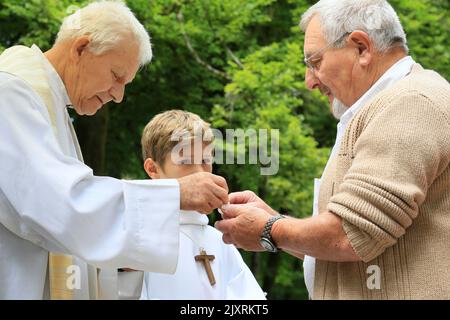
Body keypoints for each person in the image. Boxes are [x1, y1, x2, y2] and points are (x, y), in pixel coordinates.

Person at [216, 0, 450, 300]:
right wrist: (275, 222)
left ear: (361, 48)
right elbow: (348, 248)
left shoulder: (411, 102)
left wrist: (270, 229)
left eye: (315, 62)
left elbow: (350, 235)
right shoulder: (385, 106)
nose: (310, 81)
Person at [0, 1, 228, 300]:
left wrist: (121, 267)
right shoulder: (11, 92)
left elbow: (65, 233)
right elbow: (61, 206)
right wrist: (176, 194)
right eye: (116, 76)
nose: (118, 95)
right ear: (81, 48)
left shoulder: (50, 105)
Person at [137, 110, 266, 300]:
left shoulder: (222, 242)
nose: (201, 172)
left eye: (206, 160)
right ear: (153, 169)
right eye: (186, 161)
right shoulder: (139, 238)